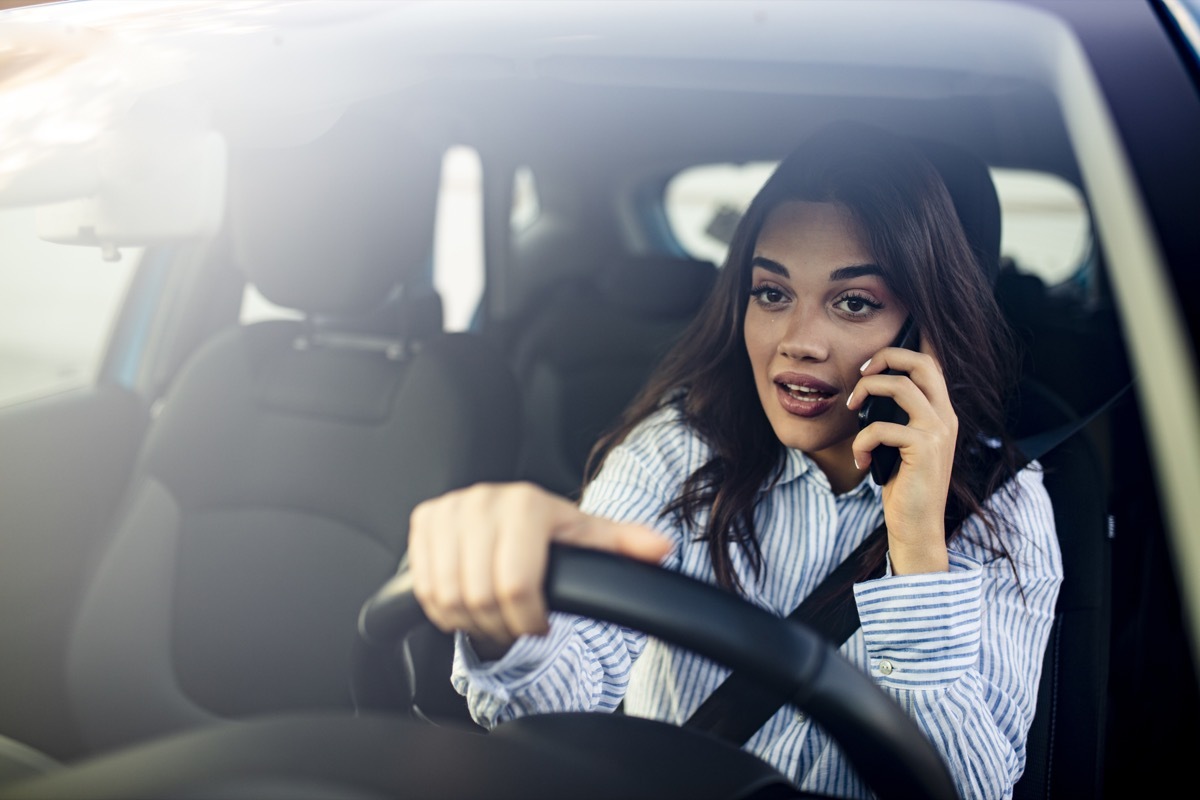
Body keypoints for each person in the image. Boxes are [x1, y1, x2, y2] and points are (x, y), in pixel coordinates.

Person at [406, 121, 1063, 800]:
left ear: (928, 327)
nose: (797, 342)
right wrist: (505, 623)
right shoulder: (682, 447)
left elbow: (972, 791)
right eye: (772, 293)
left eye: (854, 302)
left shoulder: (1007, 505)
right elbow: (555, 701)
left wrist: (920, 549)